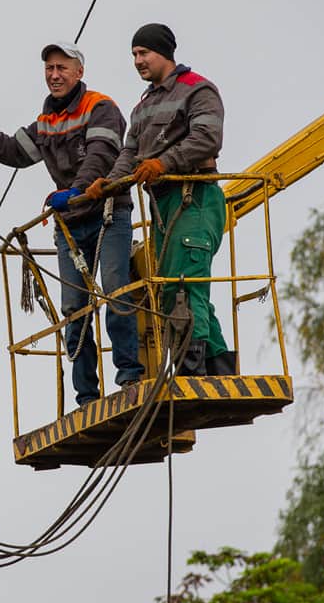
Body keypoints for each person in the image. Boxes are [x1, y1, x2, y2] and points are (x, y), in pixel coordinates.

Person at [0, 41, 144, 406]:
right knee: (74, 308)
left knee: (115, 290)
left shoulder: (100, 108)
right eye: (50, 69)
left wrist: (77, 191)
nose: (54, 75)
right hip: (69, 225)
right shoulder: (47, 122)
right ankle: (87, 396)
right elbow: (10, 150)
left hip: (107, 214)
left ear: (79, 73)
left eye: (62, 68)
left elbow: (101, 157)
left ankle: (130, 378)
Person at [87, 23, 236, 376]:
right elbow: (130, 152)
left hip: (195, 197)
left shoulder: (197, 89)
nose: (138, 61)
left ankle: (190, 370)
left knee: (184, 284)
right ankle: (219, 368)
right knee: (173, 285)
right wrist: (108, 184)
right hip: (162, 204)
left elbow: (207, 137)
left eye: (144, 53)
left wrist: (163, 162)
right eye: (134, 55)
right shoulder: (143, 106)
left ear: (165, 53)